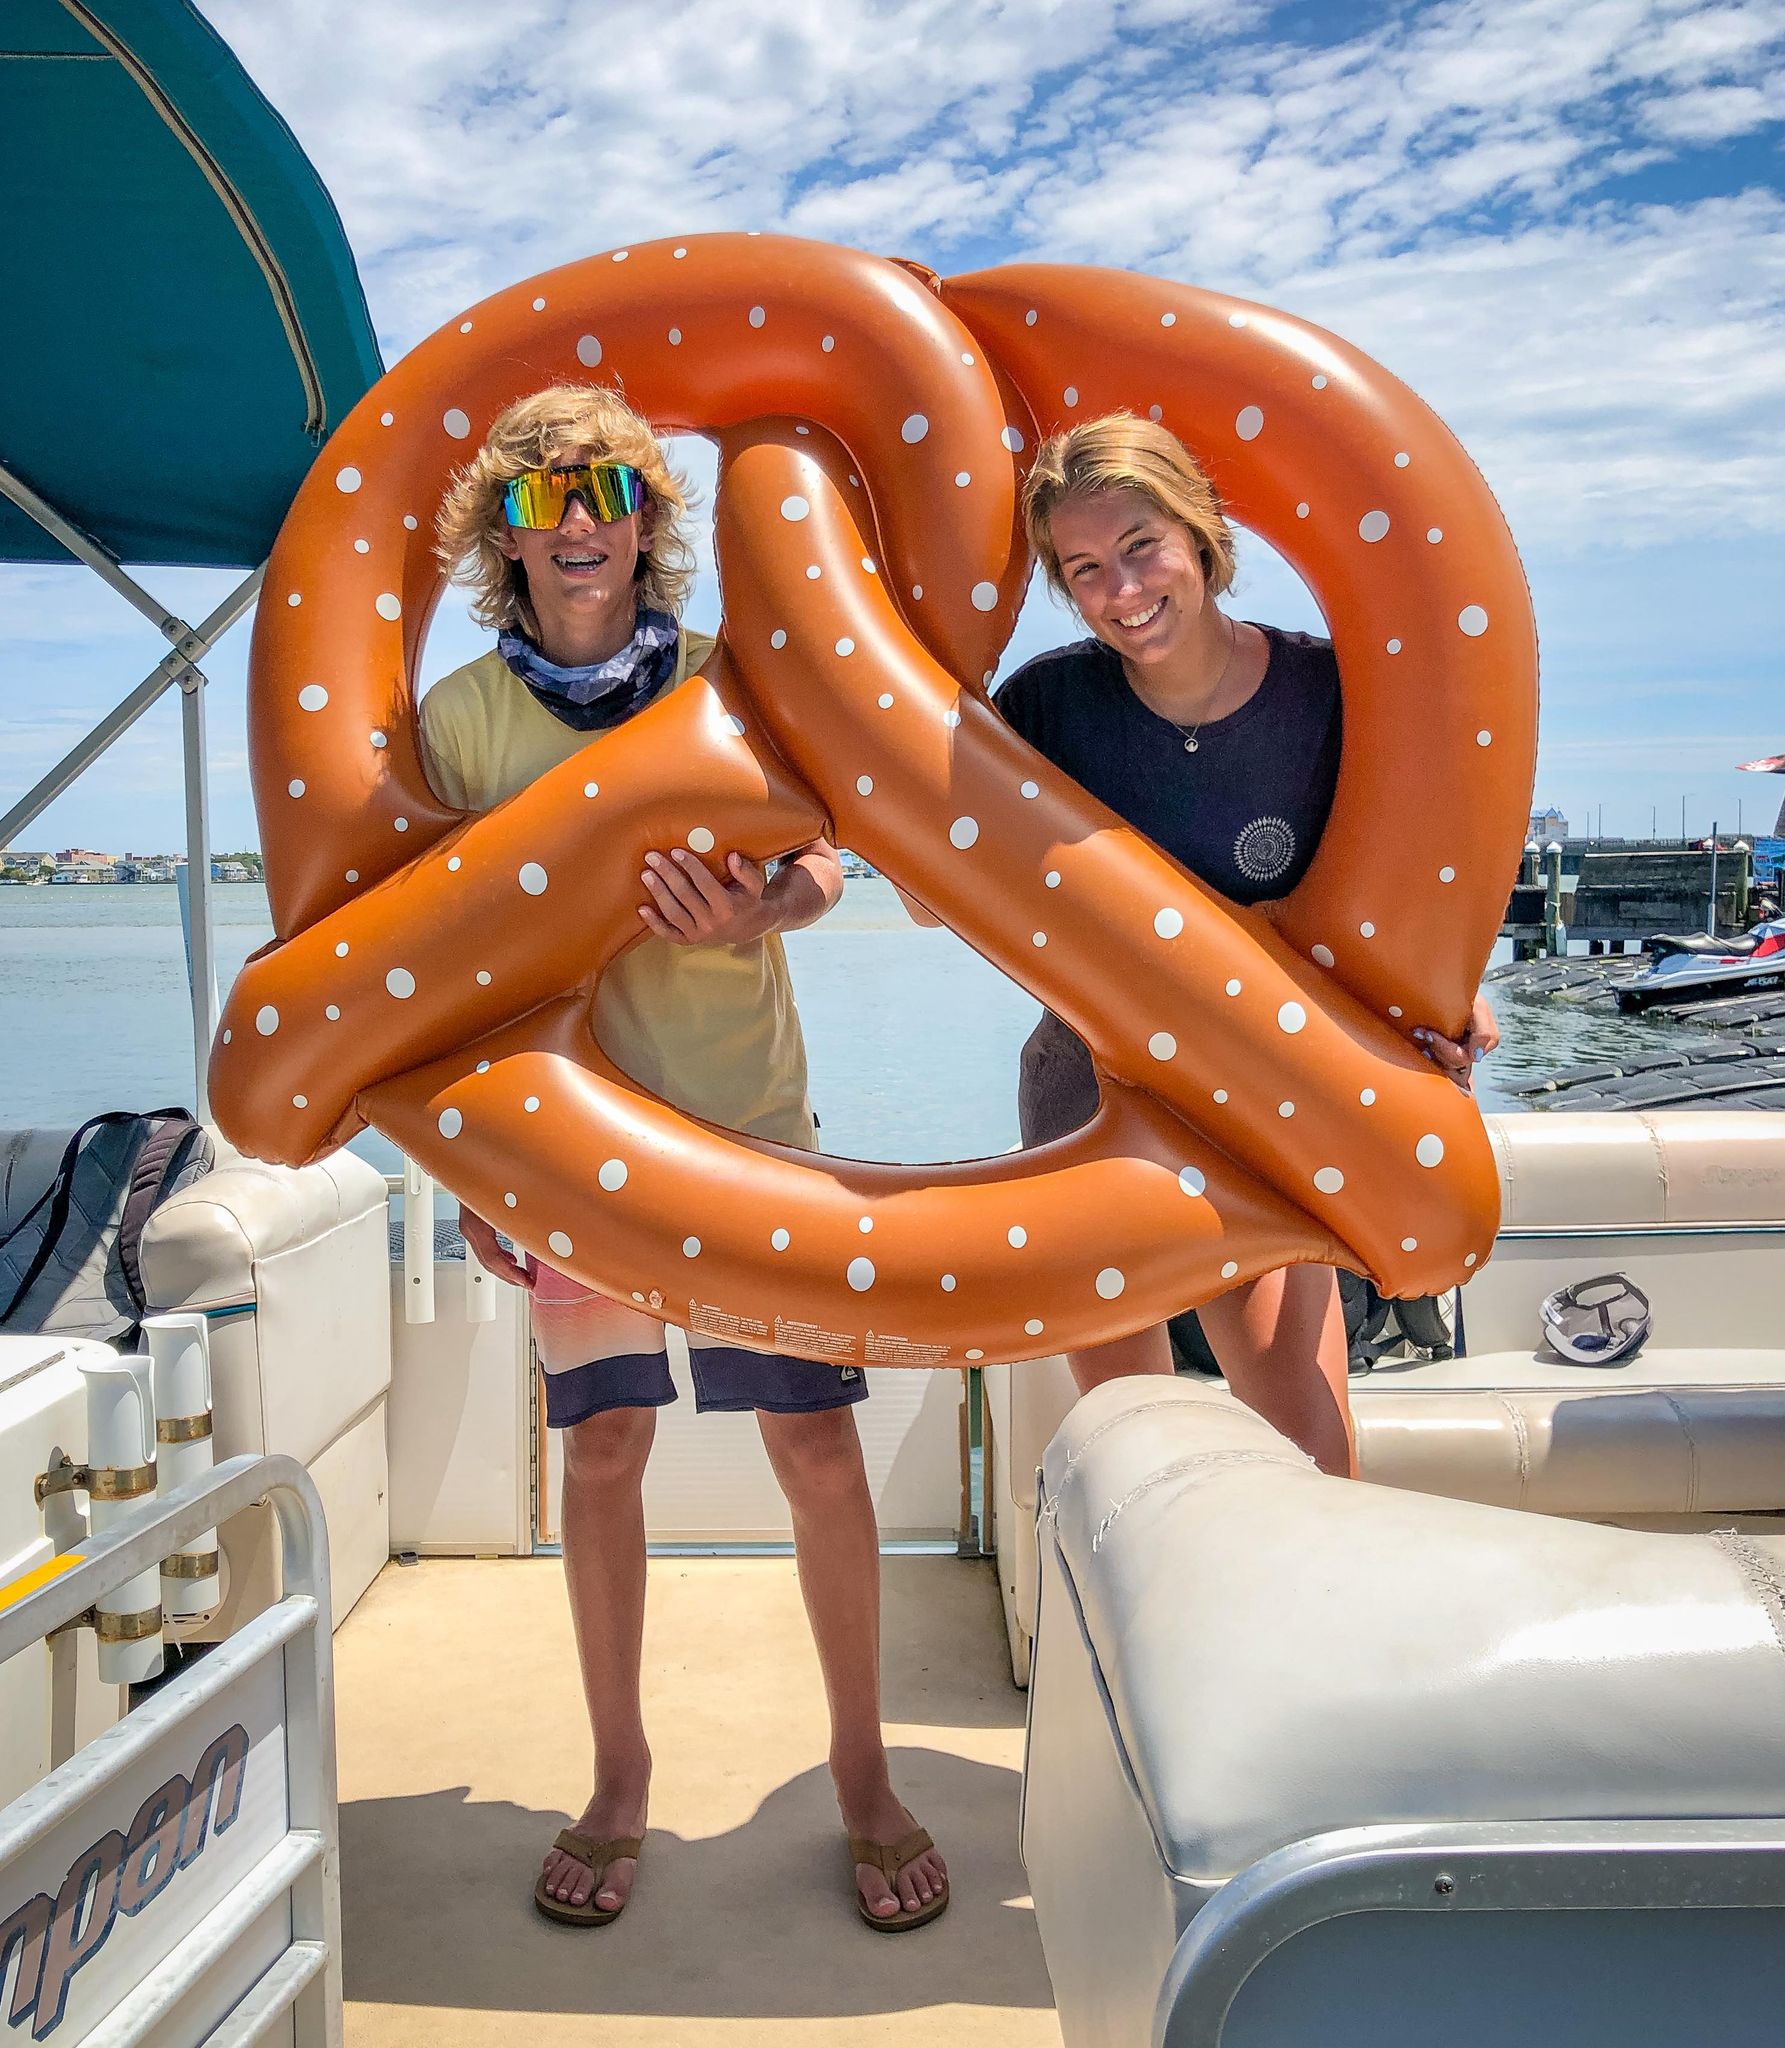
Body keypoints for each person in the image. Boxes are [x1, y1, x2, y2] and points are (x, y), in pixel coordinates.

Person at [421, 385, 948, 1932]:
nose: (574, 522)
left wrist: (761, 912)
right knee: (599, 1453)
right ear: (502, 534)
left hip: (748, 1133)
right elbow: (437, 969)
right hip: (563, 1153)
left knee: (814, 1450)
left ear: (646, 518)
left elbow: (825, 863)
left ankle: (862, 1775)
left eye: (603, 492)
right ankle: (619, 1774)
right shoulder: (458, 723)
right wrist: (465, 1170)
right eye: (538, 497)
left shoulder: (731, 681)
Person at [991, 412, 1499, 1477]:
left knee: (1309, 1443)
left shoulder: (1329, 693)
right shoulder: (1045, 705)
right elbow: (937, 892)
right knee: (1128, 1445)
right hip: (1090, 1092)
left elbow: (1416, 869)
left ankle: (1321, 1647)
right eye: (1085, 569)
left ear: (1203, 531)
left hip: (1263, 1100)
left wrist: (1450, 988)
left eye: (1142, 547)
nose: (1123, 590)